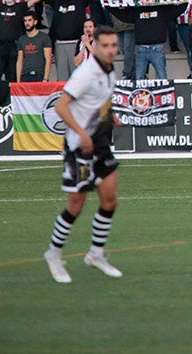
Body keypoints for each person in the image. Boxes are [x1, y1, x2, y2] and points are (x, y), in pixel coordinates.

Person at [43, 27, 123, 284]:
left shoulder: (110, 71)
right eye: (106, 45)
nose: (111, 49)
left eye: (114, 45)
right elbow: (60, 106)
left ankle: (96, 254)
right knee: (75, 206)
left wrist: (111, 116)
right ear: (95, 46)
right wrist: (82, 133)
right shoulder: (86, 73)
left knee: (110, 200)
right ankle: (53, 255)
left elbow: (98, 101)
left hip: (99, 143)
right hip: (79, 146)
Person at [48, 0, 106, 82]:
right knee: (62, 78)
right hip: (59, 44)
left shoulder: (80, 0)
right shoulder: (57, 0)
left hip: (76, 43)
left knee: (77, 76)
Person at [16, 12, 52, 82]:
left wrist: (45, 78)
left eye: (29, 20)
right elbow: (19, 61)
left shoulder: (44, 37)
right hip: (25, 75)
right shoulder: (21, 39)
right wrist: (18, 80)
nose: (27, 23)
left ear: (35, 22)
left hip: (40, 74)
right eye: (25, 21)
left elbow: (48, 59)